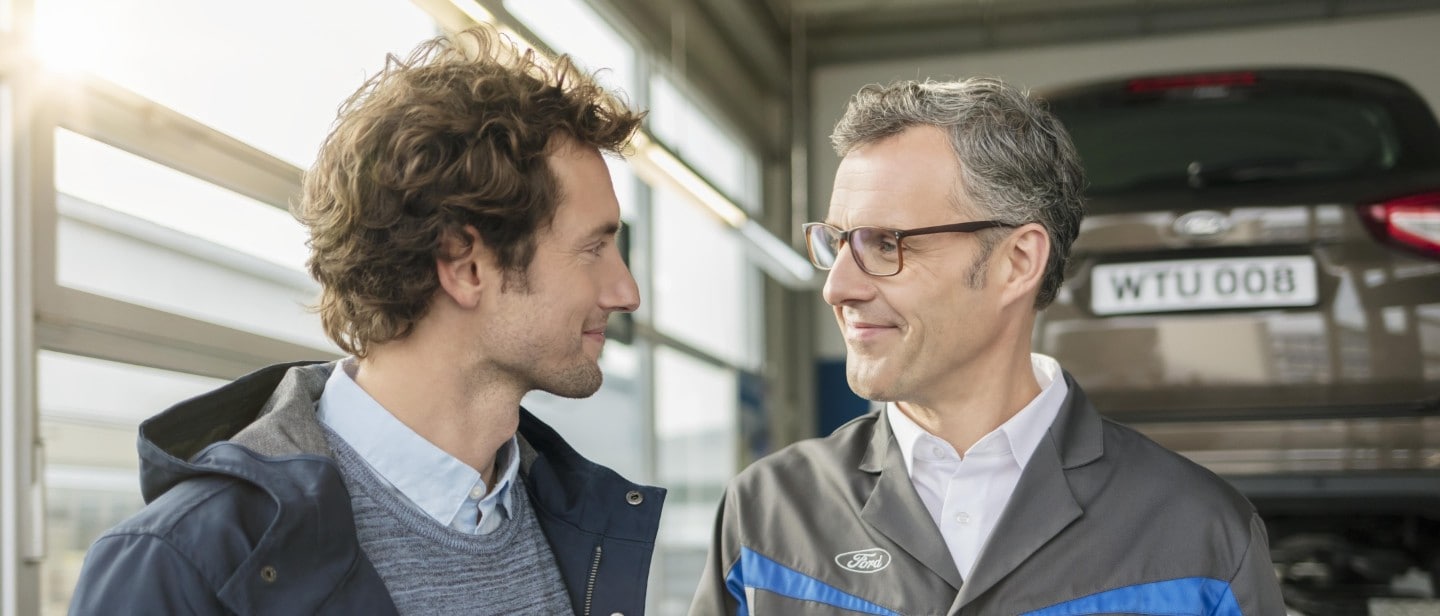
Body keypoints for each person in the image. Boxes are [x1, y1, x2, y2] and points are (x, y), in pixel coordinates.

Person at [69, 25, 663, 616]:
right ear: (466, 266)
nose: (626, 291)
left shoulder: (580, 524)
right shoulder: (176, 568)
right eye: (594, 249)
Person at [690, 78, 1285, 615]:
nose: (837, 287)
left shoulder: (1203, 535)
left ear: (1017, 261)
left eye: (885, 243)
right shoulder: (767, 516)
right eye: (837, 243)